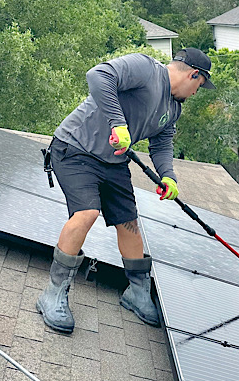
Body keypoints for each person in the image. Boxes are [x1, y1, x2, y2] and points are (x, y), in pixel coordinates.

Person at [36, 48, 214, 334]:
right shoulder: (145, 69)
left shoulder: (173, 108)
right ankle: (53, 294)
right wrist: (118, 123)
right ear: (194, 74)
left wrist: (168, 177)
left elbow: (162, 143)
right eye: (199, 86)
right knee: (88, 212)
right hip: (75, 148)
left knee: (128, 222)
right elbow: (98, 75)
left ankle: (137, 293)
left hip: (114, 161)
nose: (196, 93)